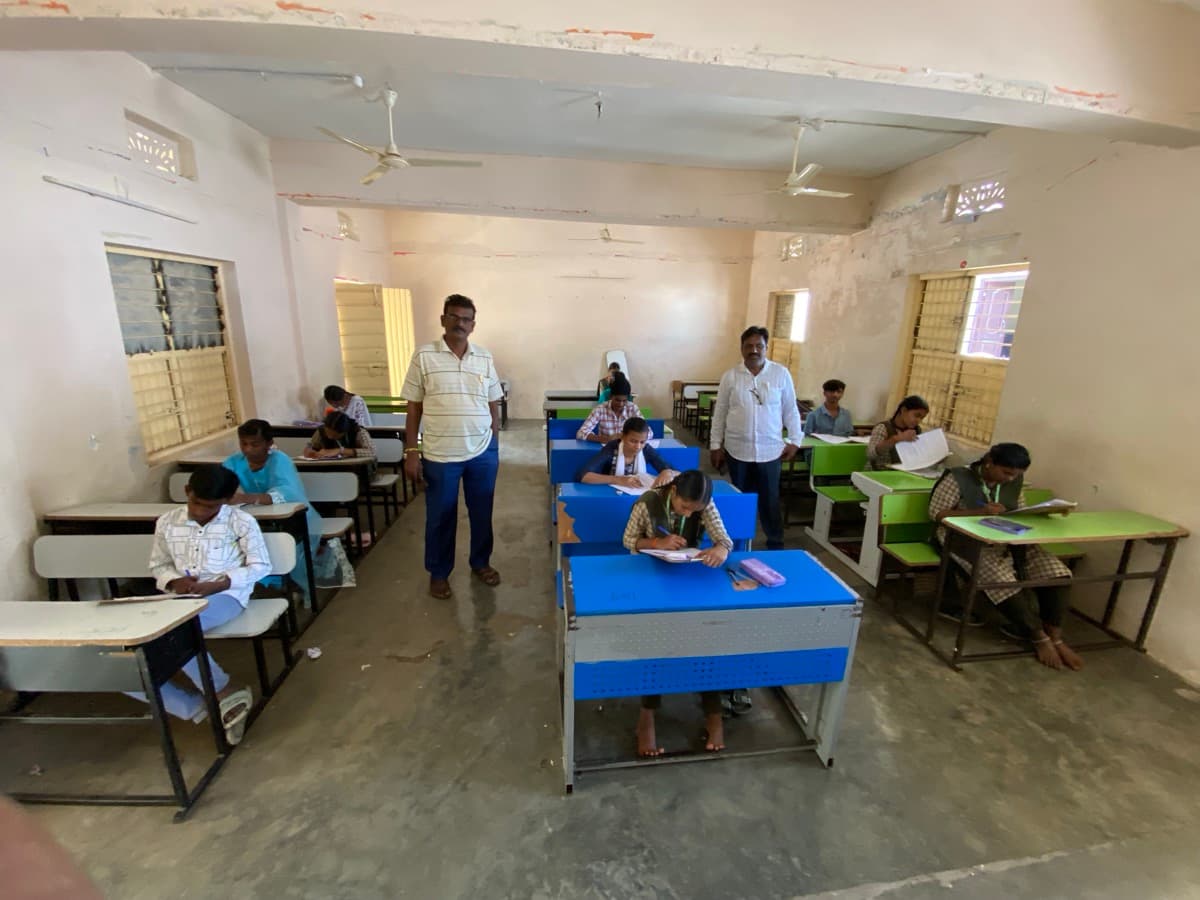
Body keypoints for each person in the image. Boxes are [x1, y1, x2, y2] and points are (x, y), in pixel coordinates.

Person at [141, 465, 269, 744]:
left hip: (226, 596)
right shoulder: (167, 522)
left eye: (211, 507)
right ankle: (201, 706)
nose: (201, 512)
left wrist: (220, 584)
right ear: (187, 492)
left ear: (226, 501)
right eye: (196, 503)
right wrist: (175, 582)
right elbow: (159, 565)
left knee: (176, 631)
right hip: (180, 598)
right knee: (127, 661)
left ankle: (220, 690)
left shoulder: (240, 521)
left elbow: (261, 566)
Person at [928, 442, 1081, 671]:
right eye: (1006, 472)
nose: (1010, 479)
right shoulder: (958, 477)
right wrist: (979, 512)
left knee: (1058, 573)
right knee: (1001, 580)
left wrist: (1039, 514)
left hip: (1007, 538)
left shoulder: (1012, 482)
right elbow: (937, 514)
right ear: (989, 463)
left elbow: (1018, 511)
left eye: (1016, 475)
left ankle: (1055, 636)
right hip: (963, 540)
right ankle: (1038, 636)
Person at [622, 470, 734, 757]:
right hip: (651, 576)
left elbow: (723, 537)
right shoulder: (647, 503)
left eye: (694, 509)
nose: (689, 512)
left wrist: (721, 548)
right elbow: (628, 540)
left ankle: (713, 713)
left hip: (688, 578)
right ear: (673, 492)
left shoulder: (703, 503)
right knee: (657, 642)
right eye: (685, 507)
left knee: (707, 639)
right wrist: (655, 543)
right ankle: (646, 715)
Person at [401, 294, 504, 600]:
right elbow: (413, 408)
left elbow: (493, 402)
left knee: (482, 512)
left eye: (466, 319)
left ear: (473, 324)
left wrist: (494, 441)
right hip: (440, 454)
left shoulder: (484, 357)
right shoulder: (424, 356)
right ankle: (438, 572)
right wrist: (411, 452)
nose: (460, 323)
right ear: (443, 319)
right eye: (454, 317)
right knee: (441, 516)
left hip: (482, 452)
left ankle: (480, 562)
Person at [709, 326, 802, 551]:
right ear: (741, 349)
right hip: (737, 450)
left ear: (766, 348)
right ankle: (738, 545)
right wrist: (715, 445)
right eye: (749, 346)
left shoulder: (780, 374)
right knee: (740, 501)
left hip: (770, 451)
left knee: (770, 502)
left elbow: (790, 409)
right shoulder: (730, 377)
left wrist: (795, 439)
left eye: (759, 346)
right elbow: (720, 412)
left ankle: (775, 545)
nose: (754, 350)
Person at [223, 418, 330, 603]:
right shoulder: (235, 461)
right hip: (258, 517)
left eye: (254, 444)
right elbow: (220, 481)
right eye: (243, 444)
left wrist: (246, 498)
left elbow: (286, 492)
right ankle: (264, 588)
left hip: (295, 517)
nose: (248, 449)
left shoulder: (280, 461)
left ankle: (294, 588)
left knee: (288, 555)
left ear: (269, 443)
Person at [576, 417, 678, 487]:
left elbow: (676, 472)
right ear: (623, 436)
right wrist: (618, 480)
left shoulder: (646, 449)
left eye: (642, 442)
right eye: (633, 441)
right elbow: (583, 476)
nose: (638, 447)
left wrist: (667, 472)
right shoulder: (611, 449)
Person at [576, 374, 647, 443]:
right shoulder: (601, 409)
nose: (621, 404)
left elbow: (649, 432)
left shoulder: (632, 408)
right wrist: (606, 439)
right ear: (611, 396)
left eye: (624, 400)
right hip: (606, 450)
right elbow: (581, 433)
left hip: (627, 450)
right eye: (617, 400)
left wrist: (627, 436)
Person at [867, 395, 929, 470]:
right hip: (877, 473)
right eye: (916, 415)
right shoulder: (883, 427)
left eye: (922, 418)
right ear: (903, 410)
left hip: (902, 474)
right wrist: (896, 439)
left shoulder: (916, 431)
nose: (918, 421)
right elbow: (871, 454)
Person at [305, 410, 377, 461]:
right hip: (327, 468)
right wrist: (309, 451)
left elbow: (371, 451)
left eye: (335, 435)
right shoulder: (321, 430)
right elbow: (311, 447)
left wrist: (340, 451)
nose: (330, 437)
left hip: (354, 468)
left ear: (344, 431)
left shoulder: (358, 431)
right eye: (327, 433)